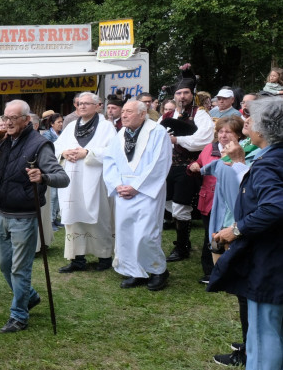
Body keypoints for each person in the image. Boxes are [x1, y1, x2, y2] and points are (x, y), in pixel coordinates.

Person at [208, 97, 283, 370]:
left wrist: (235, 230)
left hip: (269, 261)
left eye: (250, 118)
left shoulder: (267, 164)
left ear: (265, 128)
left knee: (263, 336)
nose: (246, 122)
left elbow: (274, 207)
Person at [0, 100, 69, 333]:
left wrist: (43, 177)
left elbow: (62, 178)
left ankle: (19, 315)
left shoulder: (40, 145)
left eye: (12, 118)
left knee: (20, 268)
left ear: (26, 120)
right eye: (5, 118)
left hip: (25, 216)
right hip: (1, 213)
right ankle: (28, 296)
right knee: (4, 264)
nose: (7, 123)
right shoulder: (2, 142)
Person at [103, 100, 173, 290]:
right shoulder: (120, 134)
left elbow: (160, 162)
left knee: (146, 233)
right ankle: (135, 271)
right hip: (123, 191)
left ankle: (158, 270)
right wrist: (117, 184)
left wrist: (136, 186)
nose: (124, 115)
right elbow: (109, 160)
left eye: (129, 112)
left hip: (146, 191)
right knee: (126, 233)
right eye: (123, 111)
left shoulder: (157, 133)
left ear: (143, 114)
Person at [54, 91, 117, 273]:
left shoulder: (106, 127)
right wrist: (64, 153)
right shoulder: (72, 125)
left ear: (98, 106)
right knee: (73, 217)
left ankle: (104, 257)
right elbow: (58, 146)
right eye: (79, 103)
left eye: (86, 103)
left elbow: (113, 151)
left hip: (95, 180)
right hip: (72, 180)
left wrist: (88, 153)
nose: (82, 106)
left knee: (99, 217)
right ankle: (77, 259)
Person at [163, 73, 214, 263]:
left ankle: (182, 246)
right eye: (179, 93)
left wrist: (177, 139)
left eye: (185, 93)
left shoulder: (200, 114)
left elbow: (205, 140)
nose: (182, 96)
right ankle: (184, 243)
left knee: (180, 207)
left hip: (188, 166)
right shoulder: (168, 115)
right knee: (168, 203)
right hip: (168, 166)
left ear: (192, 94)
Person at [189, 117, 243, 283]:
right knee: (210, 235)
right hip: (209, 200)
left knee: (229, 236)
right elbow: (198, 163)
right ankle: (210, 272)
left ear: (238, 135)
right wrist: (193, 167)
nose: (224, 135)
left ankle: (230, 272)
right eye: (221, 131)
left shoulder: (242, 151)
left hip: (230, 202)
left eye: (229, 132)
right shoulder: (209, 148)